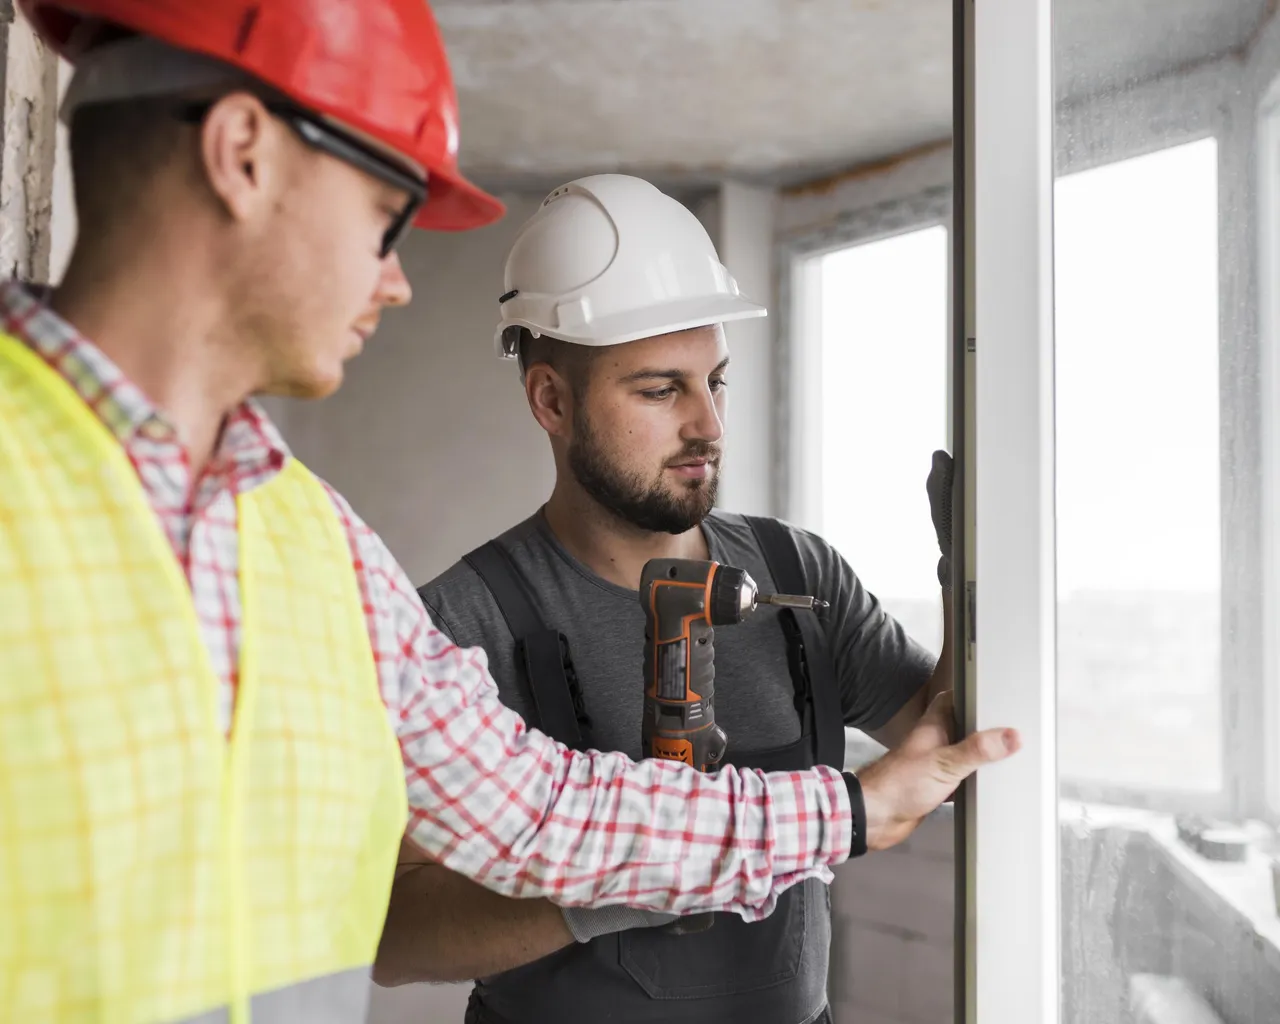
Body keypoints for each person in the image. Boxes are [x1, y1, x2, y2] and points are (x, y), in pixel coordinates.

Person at [0, 1, 1017, 1020]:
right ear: (243, 156)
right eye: (384, 217)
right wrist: (832, 816)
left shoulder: (309, 538)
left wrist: (856, 795)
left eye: (713, 381)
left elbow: (538, 810)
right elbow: (405, 921)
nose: (396, 282)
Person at [381, 174, 968, 1024]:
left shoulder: (797, 573)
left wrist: (970, 577)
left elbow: (937, 757)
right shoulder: (461, 626)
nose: (709, 427)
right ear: (551, 399)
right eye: (661, 391)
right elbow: (392, 933)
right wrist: (622, 886)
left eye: (715, 381)